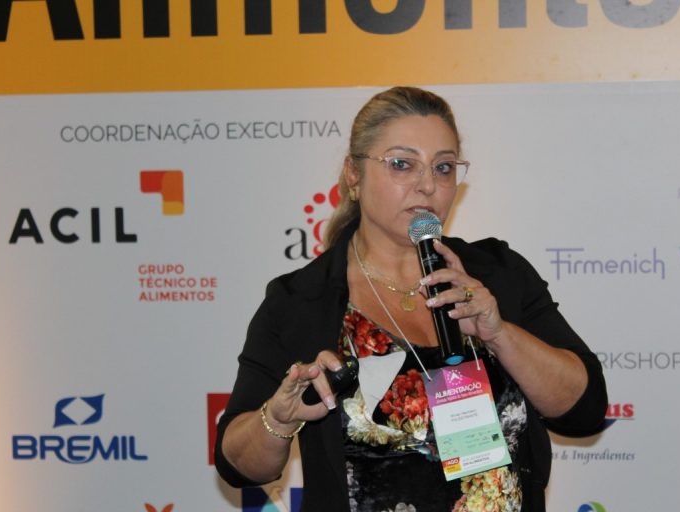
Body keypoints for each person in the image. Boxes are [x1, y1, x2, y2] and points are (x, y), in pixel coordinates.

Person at [215, 86, 608, 511]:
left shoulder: (498, 274)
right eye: (402, 164)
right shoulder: (301, 301)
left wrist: (499, 334)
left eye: (443, 168)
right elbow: (237, 465)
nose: (427, 185)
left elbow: (584, 410)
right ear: (353, 174)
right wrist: (277, 418)